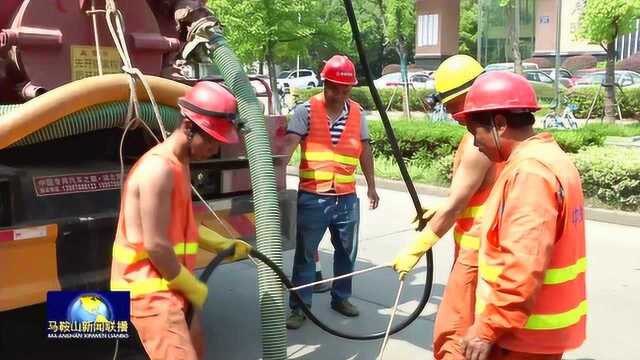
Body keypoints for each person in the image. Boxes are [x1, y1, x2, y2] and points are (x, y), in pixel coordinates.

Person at [451, 71, 586, 360]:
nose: (476, 144)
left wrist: (486, 328)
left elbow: (522, 264)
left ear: (499, 124)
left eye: (477, 132)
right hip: (535, 330)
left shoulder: (530, 173)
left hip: (521, 337)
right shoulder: (552, 158)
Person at [110, 81, 249, 360]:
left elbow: (178, 227)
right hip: (149, 291)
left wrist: (220, 242)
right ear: (188, 127)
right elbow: (157, 245)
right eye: (210, 139)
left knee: (197, 344)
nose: (214, 148)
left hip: (170, 282)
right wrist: (191, 285)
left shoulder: (180, 164)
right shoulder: (158, 169)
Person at [393, 54, 503, 359]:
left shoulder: (477, 142)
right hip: (478, 247)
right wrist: (441, 209)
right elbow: (472, 194)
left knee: (453, 335)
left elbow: (456, 205)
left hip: (476, 253)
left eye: (453, 105)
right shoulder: (487, 134)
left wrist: (417, 247)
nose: (452, 113)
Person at [282, 54, 380, 329]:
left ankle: (341, 297)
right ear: (324, 82)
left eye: (345, 89)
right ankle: (300, 307)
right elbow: (288, 145)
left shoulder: (358, 113)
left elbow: (366, 149)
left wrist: (371, 186)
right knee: (305, 254)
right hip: (313, 197)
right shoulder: (305, 111)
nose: (339, 94)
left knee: (347, 253)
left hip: (346, 198)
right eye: (335, 87)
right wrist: (277, 180)